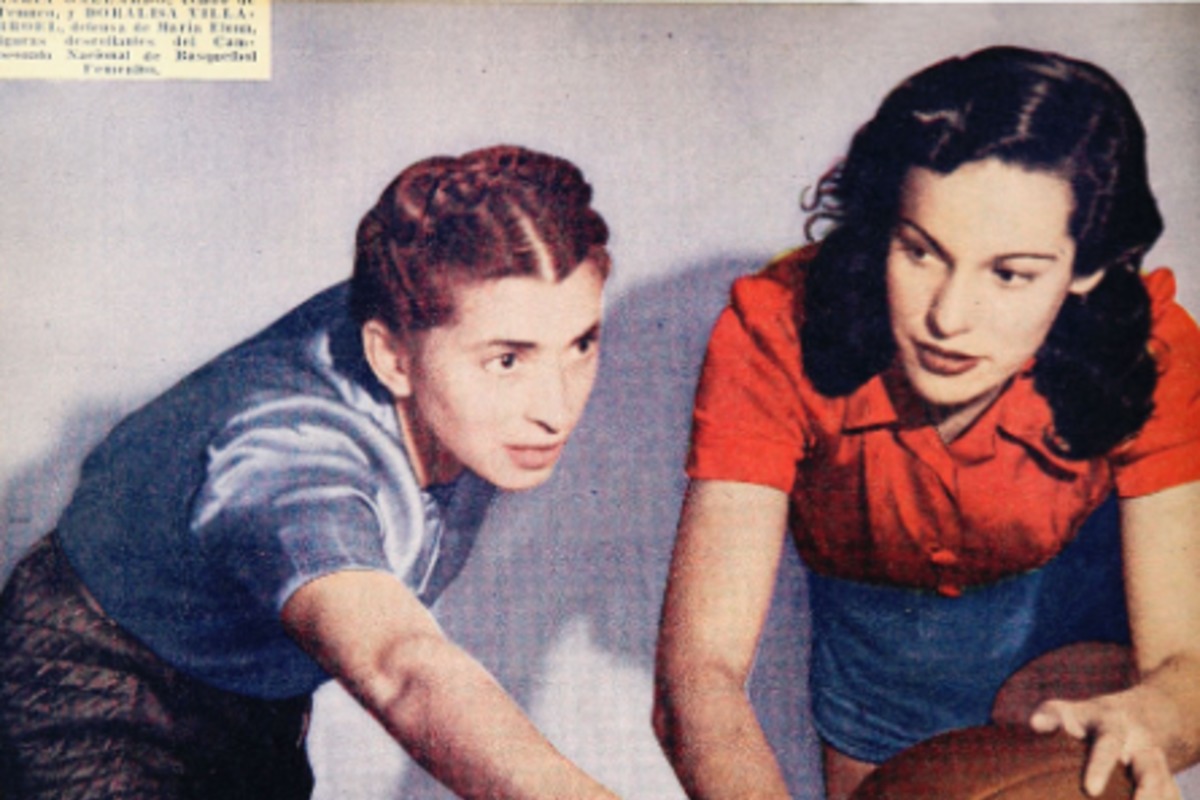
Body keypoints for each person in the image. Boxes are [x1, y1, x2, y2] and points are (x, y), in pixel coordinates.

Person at [653, 46, 1200, 800]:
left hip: (1077, 633)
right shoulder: (774, 328)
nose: (948, 317)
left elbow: (1188, 660)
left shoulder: (1153, 346)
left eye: (1010, 274)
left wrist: (1153, 715)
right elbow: (697, 675)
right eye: (921, 253)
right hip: (881, 652)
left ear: (1088, 266)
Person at [0, 145, 620, 800]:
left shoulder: (439, 311)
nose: (557, 408)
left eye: (580, 345)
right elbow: (401, 669)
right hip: (93, 679)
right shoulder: (291, 454)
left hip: (256, 695)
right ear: (391, 357)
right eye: (508, 361)